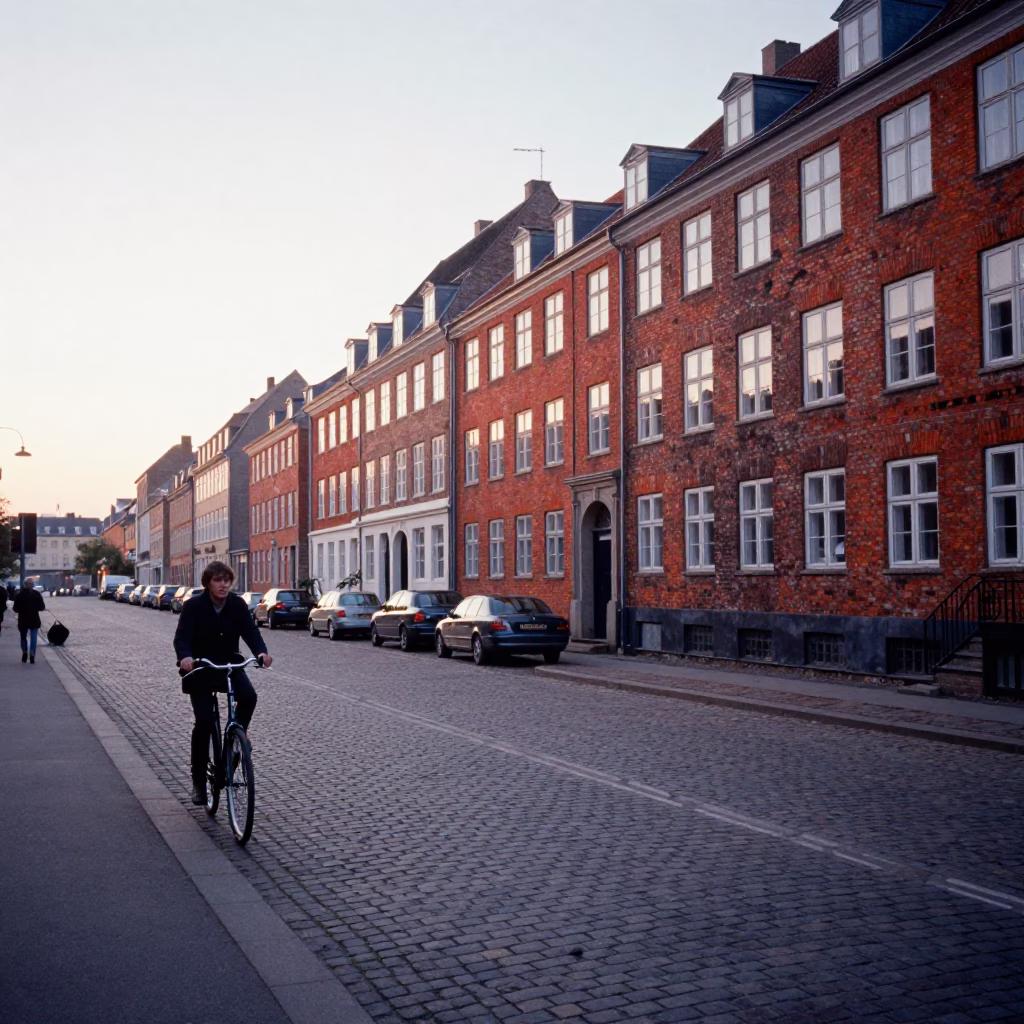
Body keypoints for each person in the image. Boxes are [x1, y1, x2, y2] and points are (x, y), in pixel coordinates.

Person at [173, 561, 272, 806]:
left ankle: (235, 741)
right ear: (208, 582)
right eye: (218, 580)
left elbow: (251, 631)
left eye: (227, 580)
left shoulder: (237, 604)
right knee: (205, 722)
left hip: (229, 665)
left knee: (249, 697)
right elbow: (182, 637)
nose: (223, 584)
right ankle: (198, 781)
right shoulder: (194, 605)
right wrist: (185, 657)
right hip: (201, 667)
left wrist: (261, 652)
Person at [13, 581, 45, 663]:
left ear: (25, 585)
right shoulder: (37, 594)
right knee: (34, 637)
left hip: (23, 619)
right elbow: (42, 607)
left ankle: (24, 653)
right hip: (34, 618)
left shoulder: (20, 595)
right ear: (33, 585)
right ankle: (32, 655)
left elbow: (15, 609)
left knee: (23, 637)